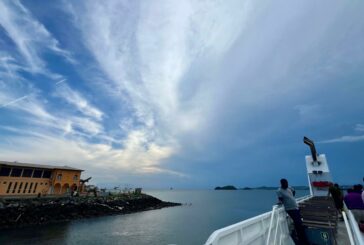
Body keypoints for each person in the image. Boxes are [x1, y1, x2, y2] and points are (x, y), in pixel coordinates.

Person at [277, 178, 308, 244]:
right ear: (282, 184)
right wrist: (280, 202)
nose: (286, 184)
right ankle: (302, 240)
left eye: (287, 183)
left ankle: (302, 239)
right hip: (290, 209)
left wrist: (291, 197)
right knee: (298, 223)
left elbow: (294, 191)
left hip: (295, 207)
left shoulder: (289, 188)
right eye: (285, 183)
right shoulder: (279, 191)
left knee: (299, 223)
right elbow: (280, 199)